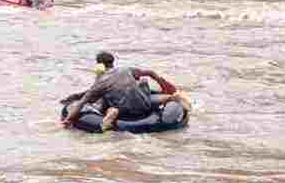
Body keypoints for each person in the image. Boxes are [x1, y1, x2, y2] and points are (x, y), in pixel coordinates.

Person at [62, 51, 191, 131]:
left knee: (107, 100)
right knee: (143, 82)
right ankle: (171, 98)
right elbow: (150, 73)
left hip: (123, 110)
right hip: (144, 105)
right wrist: (163, 84)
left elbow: (82, 102)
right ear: (113, 62)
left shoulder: (100, 82)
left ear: (99, 65)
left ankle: (111, 114)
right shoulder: (126, 70)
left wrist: (68, 119)